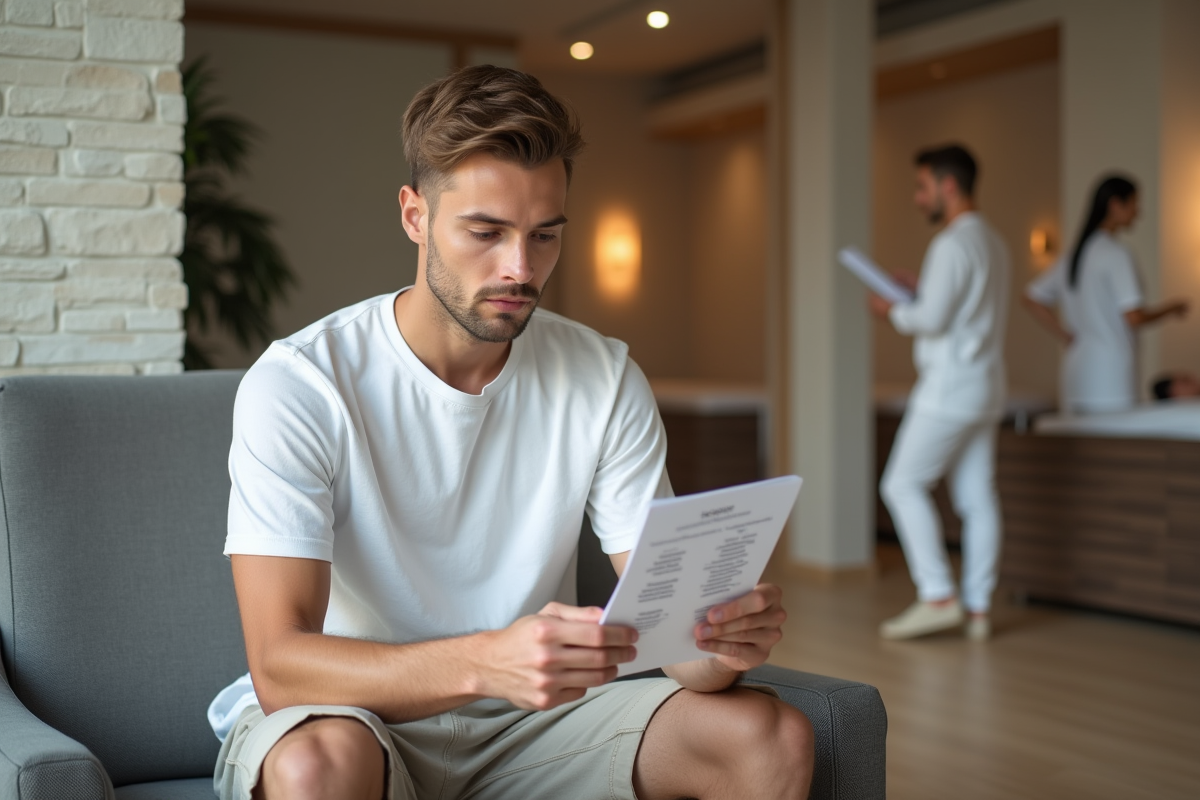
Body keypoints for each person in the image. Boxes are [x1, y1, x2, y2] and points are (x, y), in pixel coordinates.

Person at [207, 66, 813, 800]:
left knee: (768, 737)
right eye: (486, 233)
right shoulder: (303, 383)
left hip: (537, 721)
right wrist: (487, 661)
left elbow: (682, 652)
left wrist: (721, 644)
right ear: (414, 216)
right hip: (356, 712)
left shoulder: (604, 375)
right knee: (315, 767)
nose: (520, 268)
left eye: (545, 235)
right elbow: (280, 665)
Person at [868, 144, 1010, 642]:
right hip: (987, 386)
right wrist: (918, 290)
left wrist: (892, 309)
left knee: (899, 485)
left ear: (948, 186)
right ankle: (977, 608)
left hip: (949, 389)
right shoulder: (992, 241)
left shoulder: (951, 244)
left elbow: (931, 319)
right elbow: (953, 308)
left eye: (921, 186)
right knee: (977, 498)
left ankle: (938, 595)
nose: (917, 197)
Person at [1023, 174, 1190, 413]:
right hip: (1111, 377)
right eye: (1134, 203)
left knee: (1081, 446)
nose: (1137, 212)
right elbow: (1134, 317)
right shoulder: (1115, 254)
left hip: (1077, 372)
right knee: (1113, 447)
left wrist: (1065, 335)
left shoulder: (1074, 255)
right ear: (1115, 204)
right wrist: (1171, 309)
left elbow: (1030, 297)